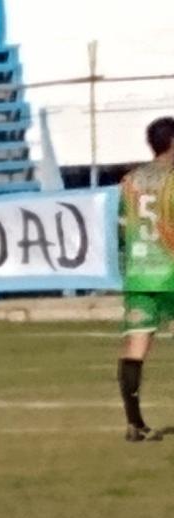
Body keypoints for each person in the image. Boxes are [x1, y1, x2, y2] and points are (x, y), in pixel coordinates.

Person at [117, 116, 174, 442]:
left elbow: (121, 228)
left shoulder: (130, 181)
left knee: (136, 345)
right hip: (171, 271)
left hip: (140, 273)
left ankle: (134, 423)